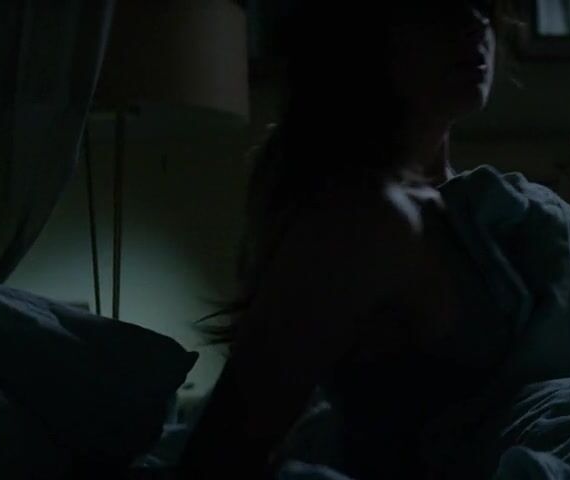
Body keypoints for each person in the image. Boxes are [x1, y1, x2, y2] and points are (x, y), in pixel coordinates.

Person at [179, 1, 516, 478]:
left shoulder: (480, 205)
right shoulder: (365, 218)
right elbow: (224, 449)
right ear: (363, 35)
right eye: (438, 6)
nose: (473, 22)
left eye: (480, 4)